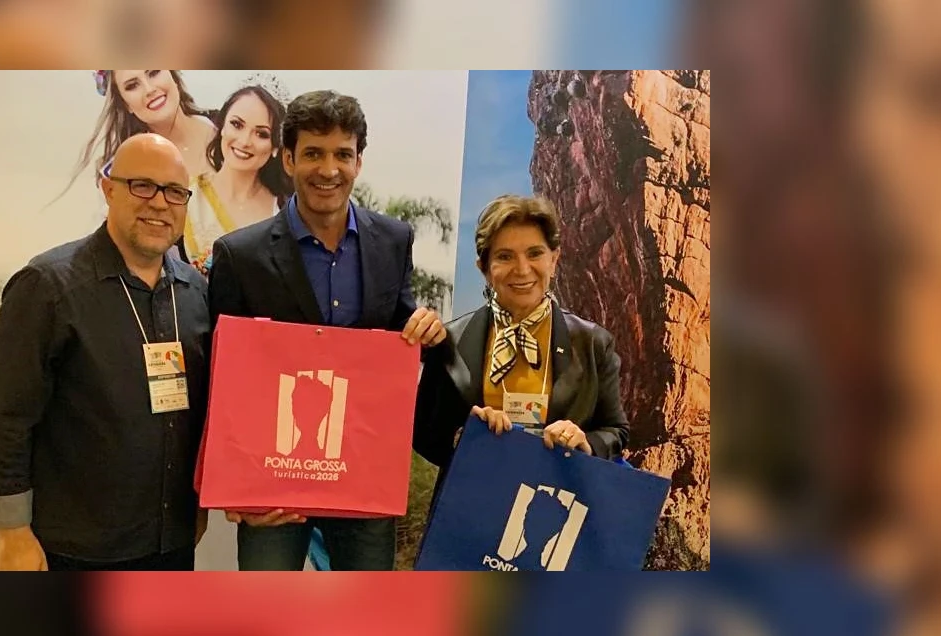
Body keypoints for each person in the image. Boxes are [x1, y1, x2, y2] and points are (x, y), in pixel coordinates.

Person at [207, 89, 447, 571]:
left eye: (342, 154)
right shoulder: (239, 255)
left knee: (365, 607)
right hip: (272, 482)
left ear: (359, 161)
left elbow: (399, 330)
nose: (329, 169)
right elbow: (222, 377)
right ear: (288, 159)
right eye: (314, 153)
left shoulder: (393, 240)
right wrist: (231, 486)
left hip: (362, 474)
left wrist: (426, 329)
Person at [0, 133, 211, 571]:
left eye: (175, 192)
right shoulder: (48, 287)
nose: (160, 203)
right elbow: (6, 417)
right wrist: (12, 532)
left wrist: (197, 505)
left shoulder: (195, 292)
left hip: (171, 541)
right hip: (74, 546)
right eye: (143, 185)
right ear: (108, 189)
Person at [413, 195, 630, 473]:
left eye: (535, 253)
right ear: (484, 269)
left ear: (554, 260)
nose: (522, 269)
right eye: (505, 256)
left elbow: (616, 431)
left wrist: (585, 442)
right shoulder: (450, 341)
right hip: (474, 494)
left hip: (557, 495)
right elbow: (424, 434)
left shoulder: (593, 343)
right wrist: (465, 437)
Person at [183, 83, 293, 274]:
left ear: (275, 146)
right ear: (222, 127)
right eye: (237, 125)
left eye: (261, 134)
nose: (244, 141)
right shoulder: (186, 197)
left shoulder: (286, 209)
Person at [70, 70, 217, 192]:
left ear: (173, 75)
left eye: (154, 72)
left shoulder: (225, 126)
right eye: (132, 85)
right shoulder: (126, 172)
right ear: (125, 104)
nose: (149, 89)